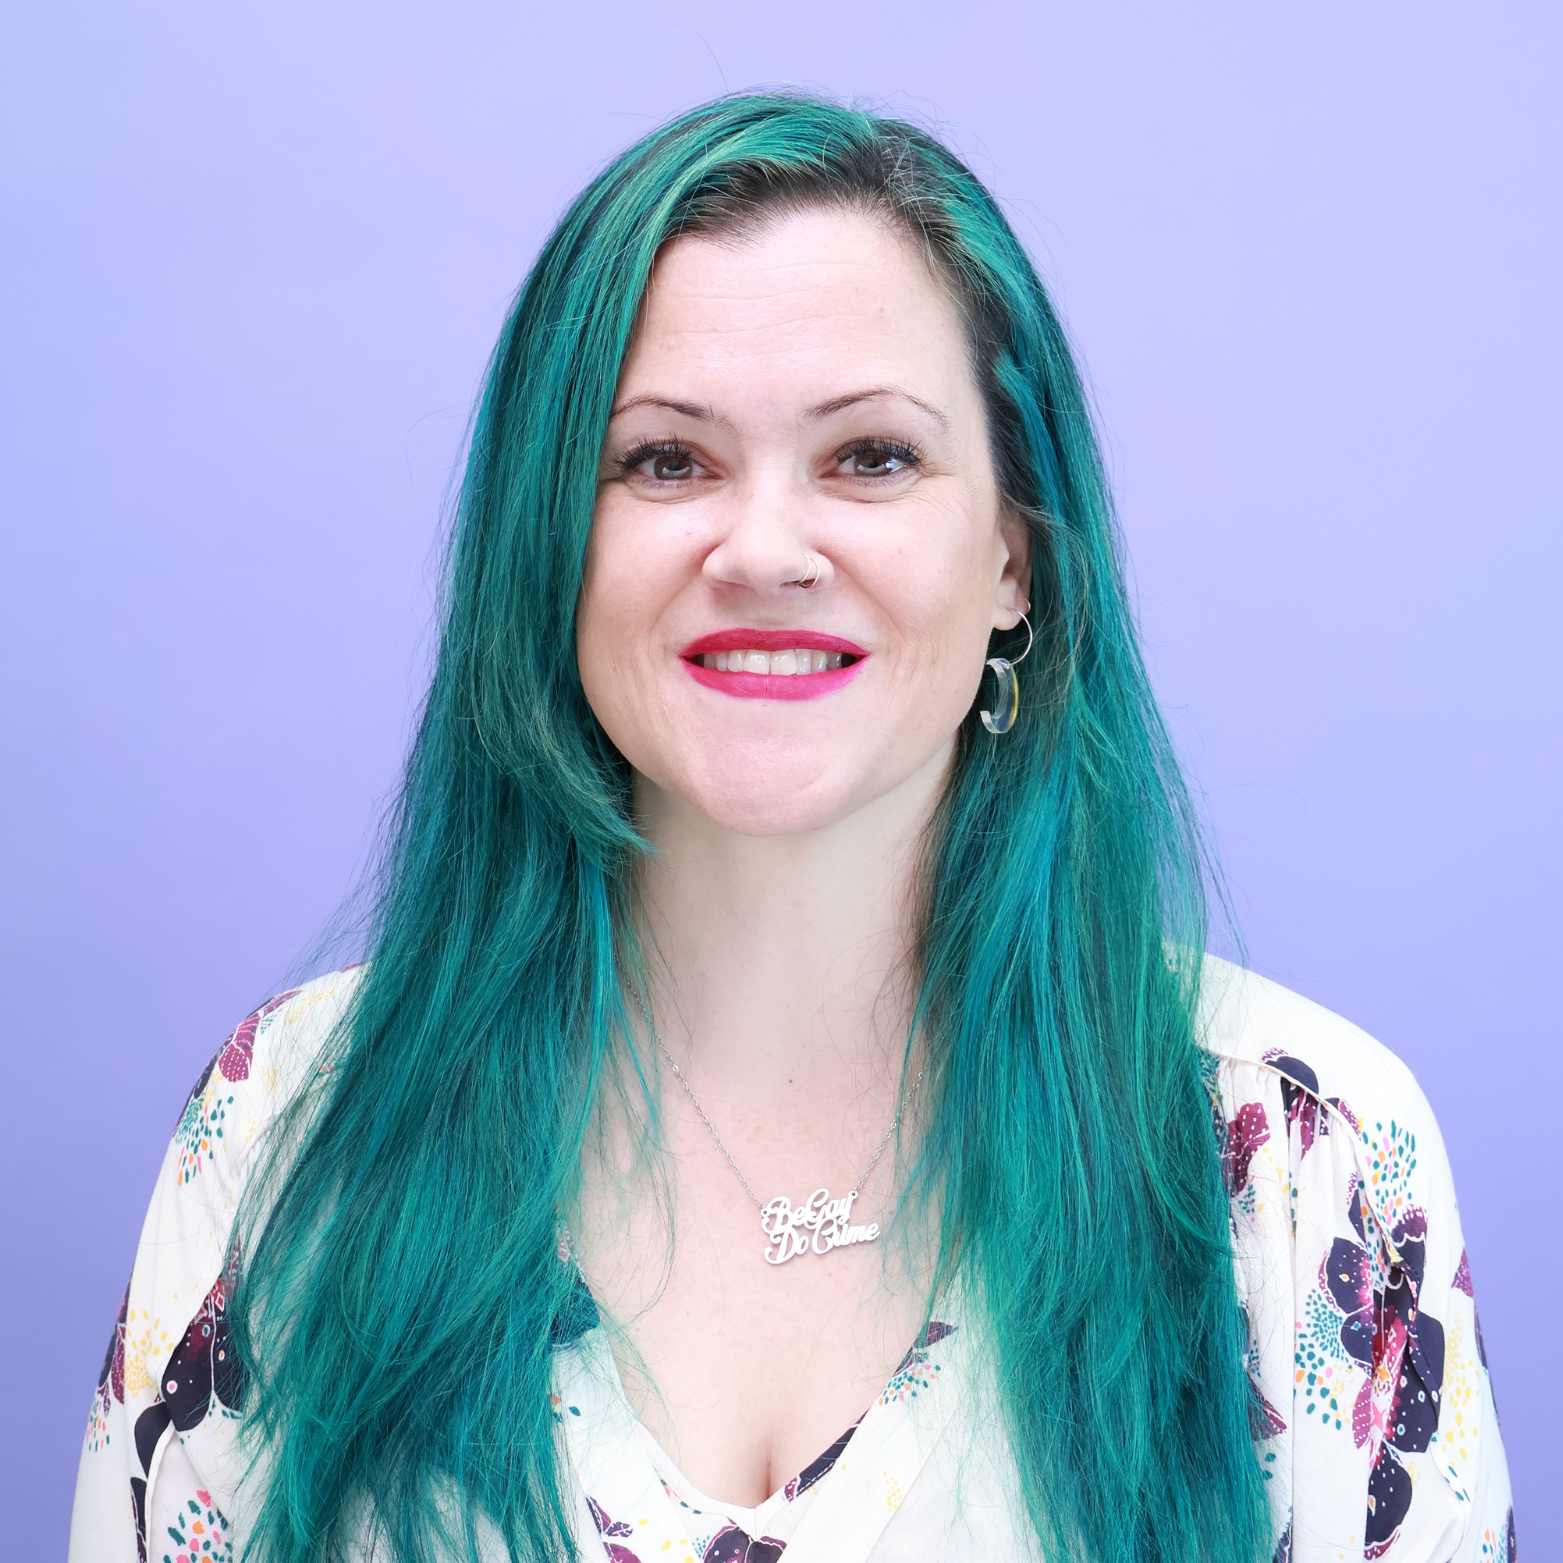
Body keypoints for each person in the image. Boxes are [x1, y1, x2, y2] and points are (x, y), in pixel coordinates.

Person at [69, 94, 1513, 1563]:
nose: (762, 550)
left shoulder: (1297, 1162)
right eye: (664, 462)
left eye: (870, 457)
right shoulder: (292, 1133)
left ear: (1013, 559)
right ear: (547, 550)